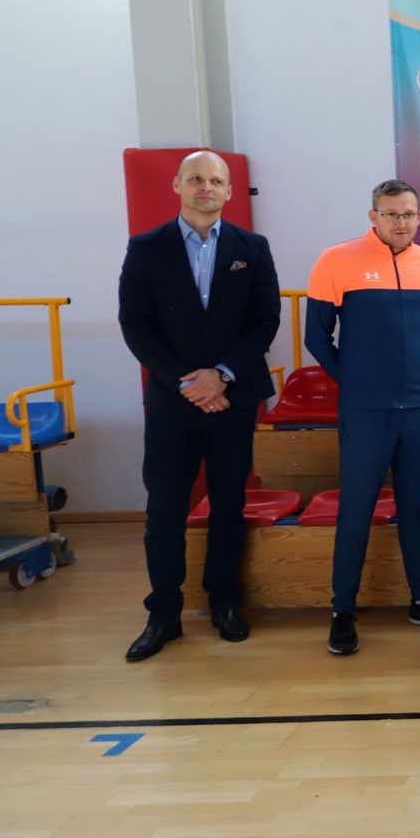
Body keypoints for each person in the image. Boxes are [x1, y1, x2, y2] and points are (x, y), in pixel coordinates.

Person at [118, 150, 280, 662]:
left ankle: (223, 603)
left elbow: (266, 319)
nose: (205, 186)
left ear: (229, 191)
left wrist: (221, 375)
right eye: (195, 178)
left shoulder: (252, 247)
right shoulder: (146, 247)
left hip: (233, 397)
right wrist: (187, 381)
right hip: (173, 401)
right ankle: (163, 614)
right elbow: (135, 324)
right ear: (178, 185)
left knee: (228, 504)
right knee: (165, 509)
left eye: (215, 180)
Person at [305, 179, 420, 656]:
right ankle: (342, 612)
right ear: (373, 216)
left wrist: (411, 378)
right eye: (391, 214)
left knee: (416, 508)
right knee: (356, 509)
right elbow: (317, 338)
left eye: (408, 214)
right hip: (366, 412)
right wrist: (356, 381)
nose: (401, 222)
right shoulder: (335, 260)